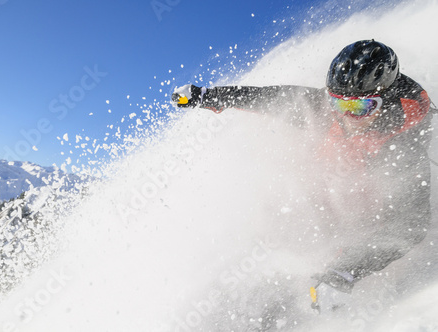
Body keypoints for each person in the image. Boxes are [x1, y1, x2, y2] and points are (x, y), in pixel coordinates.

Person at [170, 40, 435, 312]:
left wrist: (347, 271)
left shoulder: (404, 142)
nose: (346, 116)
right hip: (323, 190)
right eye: (338, 104)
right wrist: (207, 96)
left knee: (337, 245)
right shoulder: (324, 108)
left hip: (364, 217)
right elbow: (267, 98)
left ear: (385, 101)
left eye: (360, 108)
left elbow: (409, 227)